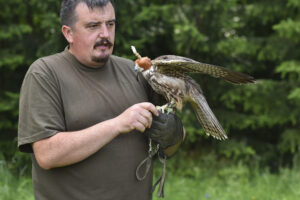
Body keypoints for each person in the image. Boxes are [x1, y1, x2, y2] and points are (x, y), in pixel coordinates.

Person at [18, 0, 184, 199]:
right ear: (68, 33)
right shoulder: (46, 73)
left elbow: (170, 147)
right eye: (93, 26)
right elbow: (47, 154)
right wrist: (118, 124)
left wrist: (173, 134)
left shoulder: (135, 71)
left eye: (110, 24)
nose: (105, 34)